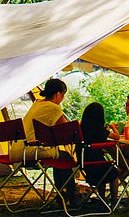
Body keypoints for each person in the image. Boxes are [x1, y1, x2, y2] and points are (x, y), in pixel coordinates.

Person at [13, 78, 80, 206]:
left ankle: (63, 194)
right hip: (32, 151)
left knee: (58, 156)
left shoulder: (37, 104)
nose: (63, 98)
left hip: (17, 150)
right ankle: (71, 195)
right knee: (65, 158)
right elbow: (68, 130)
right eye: (63, 95)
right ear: (58, 94)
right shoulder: (54, 108)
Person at [80, 102, 118, 204]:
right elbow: (117, 137)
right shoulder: (99, 130)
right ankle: (114, 201)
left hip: (84, 162)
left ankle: (102, 199)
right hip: (96, 162)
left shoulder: (81, 128)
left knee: (104, 172)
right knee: (113, 172)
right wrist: (113, 127)